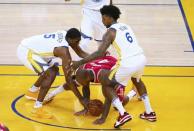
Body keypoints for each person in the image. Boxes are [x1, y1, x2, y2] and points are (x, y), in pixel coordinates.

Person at [72, 5, 156, 128]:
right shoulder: (126, 26)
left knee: (106, 82)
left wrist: (79, 63)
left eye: (102, 18)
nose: (102, 20)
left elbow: (99, 53)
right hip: (141, 59)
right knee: (137, 81)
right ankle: (149, 112)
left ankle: (123, 114)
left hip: (128, 63)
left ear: (107, 17)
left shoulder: (110, 32)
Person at [17, 28, 88, 118]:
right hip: (27, 51)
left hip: (36, 50)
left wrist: (99, 56)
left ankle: (32, 91)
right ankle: (37, 108)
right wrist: (81, 99)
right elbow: (68, 80)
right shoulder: (63, 51)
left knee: (54, 70)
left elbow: (80, 52)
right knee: (49, 74)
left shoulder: (66, 34)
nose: (78, 44)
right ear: (70, 40)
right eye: (77, 41)